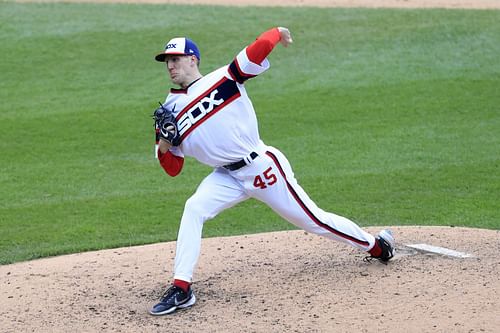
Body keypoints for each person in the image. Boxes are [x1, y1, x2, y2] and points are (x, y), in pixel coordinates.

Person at [149, 27, 395, 316]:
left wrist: (277, 32)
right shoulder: (167, 111)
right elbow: (173, 168)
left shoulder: (224, 79)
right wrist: (165, 141)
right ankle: (182, 287)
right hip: (225, 177)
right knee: (194, 208)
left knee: (313, 220)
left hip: (261, 167)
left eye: (176, 59)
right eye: (167, 61)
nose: (170, 65)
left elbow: (256, 49)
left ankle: (376, 246)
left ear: (193, 59)